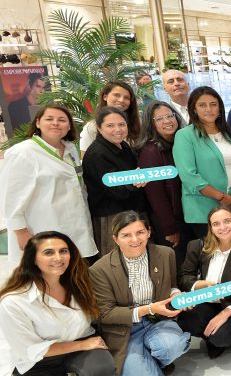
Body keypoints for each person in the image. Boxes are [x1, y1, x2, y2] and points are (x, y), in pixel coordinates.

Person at [0, 231, 115, 376]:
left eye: (63, 251)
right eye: (48, 252)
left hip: (78, 344)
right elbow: (31, 350)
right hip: (39, 362)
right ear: (33, 258)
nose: (58, 258)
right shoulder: (14, 302)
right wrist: (83, 345)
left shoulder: (78, 280)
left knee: (102, 371)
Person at [90, 211, 191, 376]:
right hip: (125, 330)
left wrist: (176, 294)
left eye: (140, 232)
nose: (135, 240)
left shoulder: (165, 254)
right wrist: (149, 309)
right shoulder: (99, 270)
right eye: (126, 235)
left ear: (149, 232)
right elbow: (105, 314)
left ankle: (151, 361)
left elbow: (172, 284)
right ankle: (145, 367)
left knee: (172, 346)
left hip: (158, 321)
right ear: (115, 239)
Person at [0, 104, 97, 260]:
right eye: (49, 119)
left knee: (75, 268)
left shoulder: (71, 149)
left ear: (69, 126)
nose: (55, 123)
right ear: (38, 123)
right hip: (43, 227)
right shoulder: (22, 153)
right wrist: (21, 232)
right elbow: (10, 198)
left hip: (76, 226)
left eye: (62, 120)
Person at [178, 205, 231, 358]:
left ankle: (229, 337)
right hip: (207, 303)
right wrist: (199, 284)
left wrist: (225, 313)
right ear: (210, 228)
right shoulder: (197, 246)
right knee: (185, 321)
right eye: (216, 224)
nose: (222, 227)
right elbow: (184, 276)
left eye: (227, 221)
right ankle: (210, 336)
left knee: (222, 336)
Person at [172, 86, 231, 238]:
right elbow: (189, 175)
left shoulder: (229, 133)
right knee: (212, 251)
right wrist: (221, 197)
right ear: (194, 109)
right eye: (202, 105)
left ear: (220, 108)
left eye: (213, 104)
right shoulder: (185, 135)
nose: (209, 109)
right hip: (203, 208)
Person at [82, 107, 149, 257]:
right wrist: (134, 182)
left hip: (132, 212)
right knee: (116, 262)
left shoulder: (123, 145)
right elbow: (115, 191)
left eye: (121, 124)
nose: (118, 130)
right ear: (99, 128)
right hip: (112, 218)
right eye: (110, 125)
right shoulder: (97, 154)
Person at [138, 102, 192, 266]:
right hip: (171, 222)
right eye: (160, 118)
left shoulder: (181, 143)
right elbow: (156, 195)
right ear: (151, 124)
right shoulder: (150, 152)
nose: (167, 121)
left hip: (187, 216)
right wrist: (170, 229)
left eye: (170, 115)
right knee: (180, 266)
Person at [79, 81, 142, 152]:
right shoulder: (91, 127)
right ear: (105, 96)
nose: (121, 100)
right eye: (117, 95)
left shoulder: (137, 124)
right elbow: (85, 156)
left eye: (126, 98)